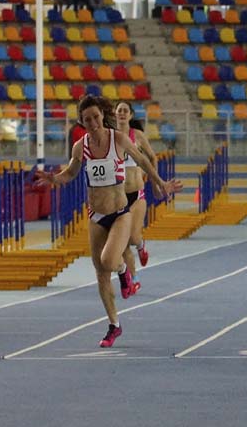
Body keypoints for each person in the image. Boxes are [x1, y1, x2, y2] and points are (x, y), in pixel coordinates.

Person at [36, 96, 182, 348]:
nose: (93, 123)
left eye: (95, 117)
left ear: (103, 115)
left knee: (108, 260)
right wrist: (55, 179)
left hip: (120, 212)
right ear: (81, 122)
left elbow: (143, 160)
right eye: (87, 120)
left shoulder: (118, 139)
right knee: (101, 274)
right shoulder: (80, 146)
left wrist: (160, 183)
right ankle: (114, 325)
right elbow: (71, 172)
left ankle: (124, 271)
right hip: (96, 216)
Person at [115, 103, 157, 289]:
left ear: (131, 115)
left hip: (137, 193)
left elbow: (152, 157)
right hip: (118, 197)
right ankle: (134, 279)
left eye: (126, 111)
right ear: (114, 114)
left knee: (132, 238)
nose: (122, 113)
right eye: (119, 110)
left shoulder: (137, 136)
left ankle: (140, 245)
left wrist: (154, 182)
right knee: (122, 243)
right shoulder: (111, 137)